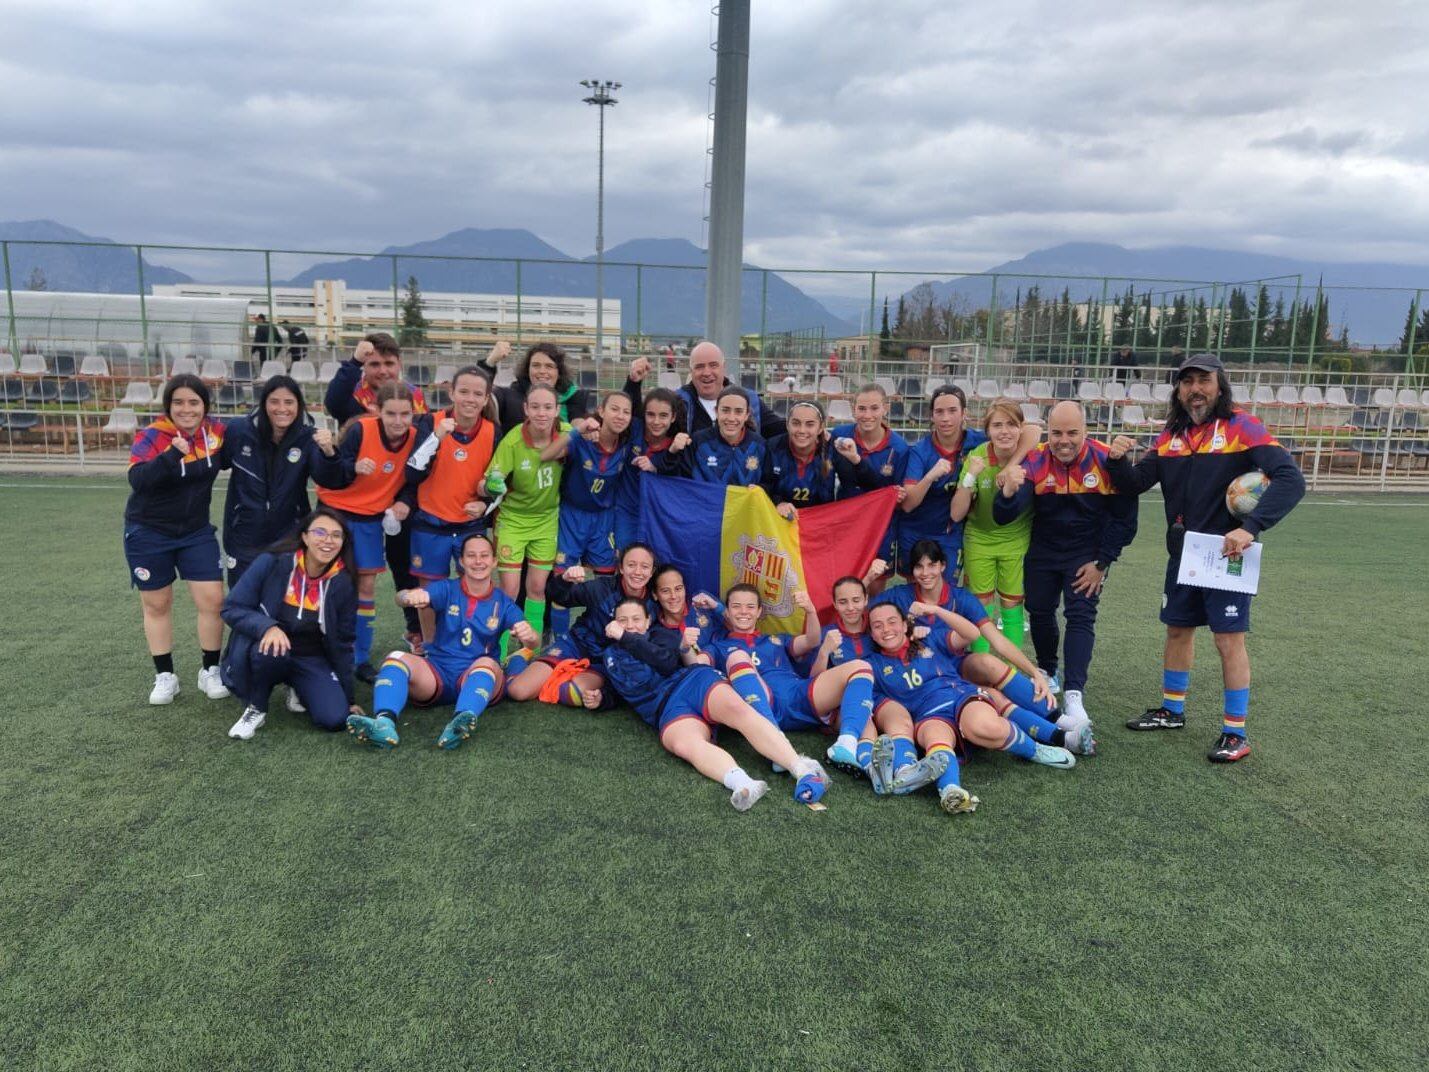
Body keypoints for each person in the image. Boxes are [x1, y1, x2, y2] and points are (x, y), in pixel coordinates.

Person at [1106, 352, 1305, 762]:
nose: (1195, 389)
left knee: (1228, 639)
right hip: (1185, 554)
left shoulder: (1241, 426)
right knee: (1178, 630)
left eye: (1203, 380)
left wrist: (1250, 528)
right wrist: (1117, 461)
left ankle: (1236, 732)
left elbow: (1291, 478)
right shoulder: (1172, 435)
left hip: (1227, 554)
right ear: (1178, 390)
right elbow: (1136, 483)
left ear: (1219, 384)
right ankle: (1172, 710)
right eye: (1186, 382)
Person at [600, 599, 830, 810]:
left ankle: (802, 769)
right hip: (666, 708)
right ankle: (743, 783)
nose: (629, 625)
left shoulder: (661, 635)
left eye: (636, 619)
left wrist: (626, 637)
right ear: (613, 623)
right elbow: (621, 687)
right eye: (623, 620)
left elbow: (666, 664)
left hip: (692, 681)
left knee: (737, 709)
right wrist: (602, 698)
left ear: (648, 621)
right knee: (682, 744)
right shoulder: (609, 654)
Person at [993, 401, 1139, 727]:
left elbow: (1126, 521)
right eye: (1057, 432)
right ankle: (1048, 669)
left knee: (1080, 615)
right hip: (1042, 551)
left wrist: (1102, 563)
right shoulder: (1034, 460)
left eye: (1072, 432)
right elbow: (1004, 517)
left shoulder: (1106, 459)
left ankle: (1074, 694)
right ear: (1048, 431)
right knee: (1041, 610)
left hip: (1086, 554)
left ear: (1085, 431)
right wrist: (1007, 492)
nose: (1064, 440)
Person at [863, 602, 1078, 815]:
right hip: (928, 716)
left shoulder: (929, 639)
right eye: (878, 626)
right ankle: (951, 791)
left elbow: (971, 634)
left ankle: (1034, 750)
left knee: (984, 726)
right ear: (871, 633)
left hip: (960, 697)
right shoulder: (872, 665)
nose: (886, 630)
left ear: (904, 624)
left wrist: (936, 610)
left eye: (892, 622)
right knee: (934, 738)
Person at [346, 533, 539, 750]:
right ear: (462, 561)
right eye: (471, 556)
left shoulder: (504, 603)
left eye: (484, 556)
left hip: (475, 677)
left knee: (487, 664)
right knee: (395, 658)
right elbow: (400, 598)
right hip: (437, 673)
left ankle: (460, 721)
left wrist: (530, 636)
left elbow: (533, 643)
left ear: (494, 561)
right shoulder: (446, 588)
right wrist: (409, 596)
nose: (478, 561)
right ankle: (384, 724)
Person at [874, 539, 1065, 726]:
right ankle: (1054, 734)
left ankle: (1059, 719)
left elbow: (997, 641)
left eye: (931, 565)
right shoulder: (899, 595)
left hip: (957, 665)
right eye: (919, 567)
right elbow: (860, 610)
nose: (925, 573)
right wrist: (869, 577)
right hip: (923, 675)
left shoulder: (961, 597)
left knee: (986, 661)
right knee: (994, 696)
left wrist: (1034, 673)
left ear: (943, 566)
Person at [124, 373, 231, 705]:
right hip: (148, 531)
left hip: (196, 532)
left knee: (213, 600)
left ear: (205, 406)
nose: (186, 409)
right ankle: (165, 676)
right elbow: (138, 479)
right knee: (157, 604)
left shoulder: (216, 434)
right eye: (178, 402)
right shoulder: (153, 436)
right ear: (168, 406)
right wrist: (171, 455)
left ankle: (209, 671)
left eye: (194, 402)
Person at [700, 585, 881, 779]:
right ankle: (775, 741)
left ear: (760, 611)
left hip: (798, 694)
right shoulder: (718, 646)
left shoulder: (776, 639)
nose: (744, 611)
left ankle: (847, 746)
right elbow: (697, 664)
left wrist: (810, 610)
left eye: (750, 606)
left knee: (861, 667)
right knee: (738, 657)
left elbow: (812, 640)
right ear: (727, 611)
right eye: (737, 606)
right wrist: (686, 648)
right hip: (763, 707)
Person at [323, 332, 429, 650]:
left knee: (405, 562)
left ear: (399, 365)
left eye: (389, 363)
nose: (382, 370)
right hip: (353, 502)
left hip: (394, 496)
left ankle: (414, 630)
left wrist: (406, 500)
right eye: (374, 364)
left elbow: (421, 449)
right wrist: (353, 362)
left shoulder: (414, 397)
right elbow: (333, 402)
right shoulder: (354, 397)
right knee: (344, 574)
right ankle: (335, 637)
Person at [220, 508, 361, 739]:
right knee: (272, 650)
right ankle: (257, 707)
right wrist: (267, 626)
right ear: (305, 537)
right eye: (320, 532)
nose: (328, 541)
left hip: (310, 656)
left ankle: (298, 687)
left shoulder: (343, 581)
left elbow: (344, 642)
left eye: (336, 535)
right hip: (267, 648)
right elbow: (231, 607)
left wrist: (349, 698)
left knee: (335, 719)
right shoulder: (273, 562)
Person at [315, 382, 419, 681]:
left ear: (414, 414)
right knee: (325, 584)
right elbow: (335, 470)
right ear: (378, 411)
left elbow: (414, 479)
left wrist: (403, 502)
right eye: (391, 414)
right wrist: (353, 467)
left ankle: (360, 659)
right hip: (334, 513)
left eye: (405, 414)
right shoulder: (361, 430)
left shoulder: (415, 437)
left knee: (367, 588)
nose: (398, 421)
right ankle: (322, 650)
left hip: (370, 520)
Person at [900, 385, 1037, 583]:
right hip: (917, 528)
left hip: (951, 530)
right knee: (917, 590)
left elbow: (1033, 431)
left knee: (947, 590)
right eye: (939, 412)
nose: (946, 418)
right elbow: (908, 504)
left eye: (952, 411)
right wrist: (930, 476)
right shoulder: (920, 451)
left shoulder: (978, 441)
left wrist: (1010, 467)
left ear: (964, 413)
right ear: (932, 416)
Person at [503, 543, 657, 709]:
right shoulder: (601, 588)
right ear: (621, 568)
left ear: (652, 571)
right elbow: (558, 596)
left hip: (604, 662)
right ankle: (520, 657)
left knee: (576, 694)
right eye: (631, 565)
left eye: (645, 566)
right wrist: (564, 580)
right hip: (576, 645)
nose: (638, 572)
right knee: (518, 691)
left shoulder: (655, 603)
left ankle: (560, 675)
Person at [221, 375, 340, 585]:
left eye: (289, 402)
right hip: (243, 536)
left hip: (289, 536)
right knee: (241, 603)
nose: (281, 408)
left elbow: (329, 479)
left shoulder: (308, 438)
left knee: (283, 602)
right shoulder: (239, 431)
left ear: (299, 406)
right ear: (264, 403)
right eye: (274, 401)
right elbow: (216, 463)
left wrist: (329, 451)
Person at [404, 366, 500, 624]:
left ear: (486, 397)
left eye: (477, 393)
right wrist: (436, 438)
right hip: (430, 524)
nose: (470, 398)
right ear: (451, 392)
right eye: (464, 391)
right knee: (428, 595)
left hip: (471, 527)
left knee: (476, 589)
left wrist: (485, 505)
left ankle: (473, 645)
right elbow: (412, 473)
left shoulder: (493, 432)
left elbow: (501, 484)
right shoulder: (429, 423)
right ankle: (430, 647)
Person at [486, 385, 567, 643]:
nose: (541, 413)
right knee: (509, 591)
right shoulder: (513, 440)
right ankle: (496, 652)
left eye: (547, 407)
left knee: (537, 588)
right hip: (514, 521)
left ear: (557, 410)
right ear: (525, 409)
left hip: (547, 521)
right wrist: (493, 482)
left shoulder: (567, 434)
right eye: (535, 407)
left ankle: (529, 649)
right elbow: (491, 478)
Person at [950, 399, 1032, 654]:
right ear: (987, 430)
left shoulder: (1032, 453)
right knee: (982, 605)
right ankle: (983, 666)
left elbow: (1036, 432)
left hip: (1017, 540)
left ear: (1021, 428)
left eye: (1011, 424)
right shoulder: (978, 457)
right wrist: (971, 476)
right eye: (997, 425)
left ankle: (1011, 670)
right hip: (980, 539)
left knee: (1011, 606)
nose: (1005, 431)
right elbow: (956, 514)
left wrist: (1009, 468)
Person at [831, 383, 910, 591]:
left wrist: (899, 495)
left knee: (875, 586)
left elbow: (900, 495)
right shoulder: (839, 436)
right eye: (862, 409)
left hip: (880, 528)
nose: (868, 415)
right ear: (853, 409)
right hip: (846, 524)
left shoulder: (899, 448)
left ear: (885, 408)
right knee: (844, 584)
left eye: (874, 408)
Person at [624, 340, 783, 439]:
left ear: (724, 368)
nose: (707, 373)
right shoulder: (677, 401)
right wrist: (633, 383)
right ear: (691, 371)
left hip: (738, 490)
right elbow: (637, 422)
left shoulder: (750, 400)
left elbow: (783, 430)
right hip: (694, 490)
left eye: (713, 365)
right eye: (699, 367)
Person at [761, 400, 879, 517]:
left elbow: (866, 488)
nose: (802, 430)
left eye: (810, 424)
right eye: (796, 423)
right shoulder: (773, 446)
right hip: (781, 522)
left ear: (821, 427)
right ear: (787, 424)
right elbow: (764, 486)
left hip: (821, 525)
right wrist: (778, 503)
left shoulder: (833, 449)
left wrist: (856, 459)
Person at [613, 385, 691, 550]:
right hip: (627, 512)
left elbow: (676, 479)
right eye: (650, 414)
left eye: (663, 415)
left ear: (673, 417)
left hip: (658, 516)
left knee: (654, 565)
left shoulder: (678, 445)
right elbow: (621, 410)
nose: (656, 422)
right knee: (626, 560)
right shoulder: (634, 429)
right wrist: (633, 381)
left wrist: (658, 462)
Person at [479, 339, 593, 430]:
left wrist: (584, 428)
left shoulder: (572, 397)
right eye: (536, 365)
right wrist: (490, 362)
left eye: (549, 366)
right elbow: (479, 397)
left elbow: (576, 419)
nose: (542, 371)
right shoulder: (510, 397)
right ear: (527, 369)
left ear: (559, 372)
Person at [688, 387, 766, 486]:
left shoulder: (760, 445)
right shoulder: (697, 441)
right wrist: (672, 451)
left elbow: (768, 483)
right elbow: (679, 480)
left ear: (747, 415)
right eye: (725, 410)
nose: (731, 418)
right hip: (706, 501)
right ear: (716, 412)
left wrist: (761, 488)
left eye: (738, 411)